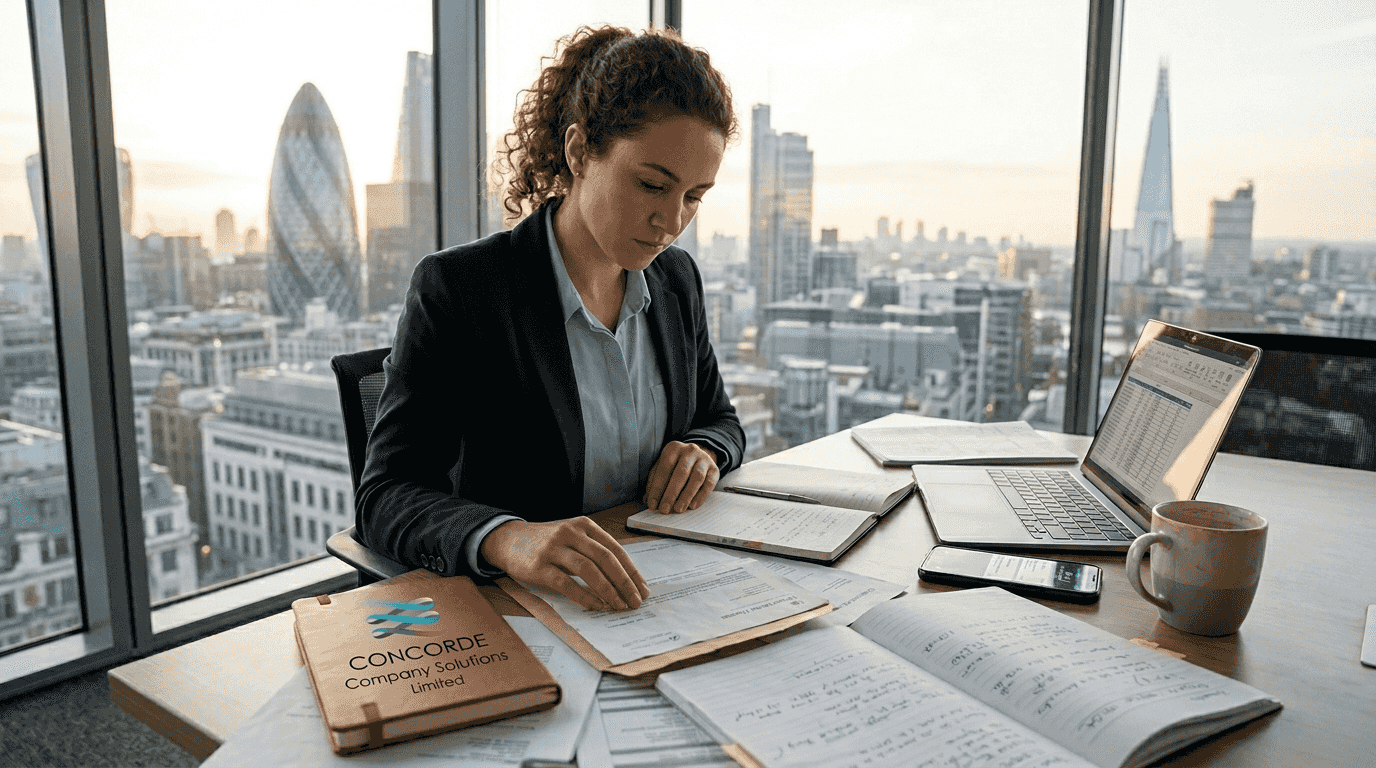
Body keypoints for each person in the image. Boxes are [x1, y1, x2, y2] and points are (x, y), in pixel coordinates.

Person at [356, 25, 745, 615]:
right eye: (651, 185)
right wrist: (509, 538)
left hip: (662, 595)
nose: (671, 221)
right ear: (578, 151)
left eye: (694, 196)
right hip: (523, 610)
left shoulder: (675, 280)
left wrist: (705, 450)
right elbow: (386, 496)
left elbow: (719, 419)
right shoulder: (463, 290)